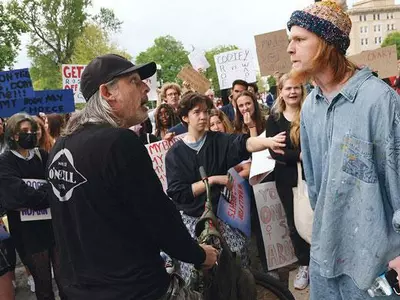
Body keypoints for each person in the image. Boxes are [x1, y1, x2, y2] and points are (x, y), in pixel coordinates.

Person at [45, 54, 218, 300]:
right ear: (107, 93)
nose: (146, 88)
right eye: (135, 81)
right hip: (135, 290)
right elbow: (159, 217)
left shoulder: (60, 147)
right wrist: (199, 255)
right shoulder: (119, 142)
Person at [287, 1, 400, 299]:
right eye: (290, 40)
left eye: (299, 39)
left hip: (376, 266)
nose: (290, 48)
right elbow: (314, 183)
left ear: (326, 43)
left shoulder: (379, 100)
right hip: (325, 258)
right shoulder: (310, 106)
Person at [165, 92, 286, 282]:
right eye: (197, 112)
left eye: (205, 111)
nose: (203, 116)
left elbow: (245, 143)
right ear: (184, 117)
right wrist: (212, 180)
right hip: (193, 221)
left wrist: (269, 142)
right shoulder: (174, 154)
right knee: (195, 274)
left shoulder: (219, 140)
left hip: (223, 215)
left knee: (239, 261)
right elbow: (179, 193)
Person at [0, 113, 65, 300]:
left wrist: (35, 195)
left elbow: (59, 184)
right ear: (13, 135)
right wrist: (46, 193)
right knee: (43, 285)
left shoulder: (42, 155)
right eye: (24, 131)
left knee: (66, 280)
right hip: (28, 234)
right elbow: (16, 196)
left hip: (52, 228)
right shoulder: (5, 161)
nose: (30, 134)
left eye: (32, 131)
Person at [265, 73, 310, 289]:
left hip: (313, 177)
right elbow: (276, 152)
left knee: (316, 219)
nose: (293, 92)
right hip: (286, 180)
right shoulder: (274, 120)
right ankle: (305, 264)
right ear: (280, 92)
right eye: (288, 88)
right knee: (295, 224)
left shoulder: (311, 112)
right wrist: (299, 155)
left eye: (297, 88)